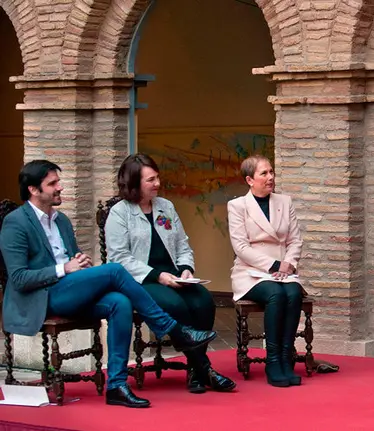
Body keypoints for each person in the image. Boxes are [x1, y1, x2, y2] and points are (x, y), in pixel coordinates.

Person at [0, 160, 217, 408]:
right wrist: (64, 268)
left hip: (69, 290)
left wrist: (79, 262)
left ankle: (116, 386)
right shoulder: (16, 222)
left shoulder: (61, 220)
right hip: (43, 298)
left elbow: (71, 259)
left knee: (119, 302)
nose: (60, 187)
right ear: (33, 189)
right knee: (115, 269)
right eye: (53, 183)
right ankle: (174, 329)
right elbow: (19, 278)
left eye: (58, 182)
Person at [104, 154, 236, 394]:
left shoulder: (166, 206)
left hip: (173, 275)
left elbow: (183, 244)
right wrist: (158, 276)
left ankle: (196, 371)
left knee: (203, 300)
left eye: (157, 178)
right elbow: (119, 258)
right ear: (133, 183)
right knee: (175, 305)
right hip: (141, 279)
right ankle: (203, 369)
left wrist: (186, 269)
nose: (157, 183)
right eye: (150, 180)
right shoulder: (119, 213)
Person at [227, 155, 303, 388]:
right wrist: (274, 265)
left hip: (284, 270)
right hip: (251, 271)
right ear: (250, 180)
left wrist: (288, 264)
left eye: (272, 172)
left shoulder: (284, 201)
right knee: (276, 294)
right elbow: (241, 247)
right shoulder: (237, 206)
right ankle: (272, 361)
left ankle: (286, 358)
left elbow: (295, 240)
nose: (270, 177)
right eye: (264, 173)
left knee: (294, 293)